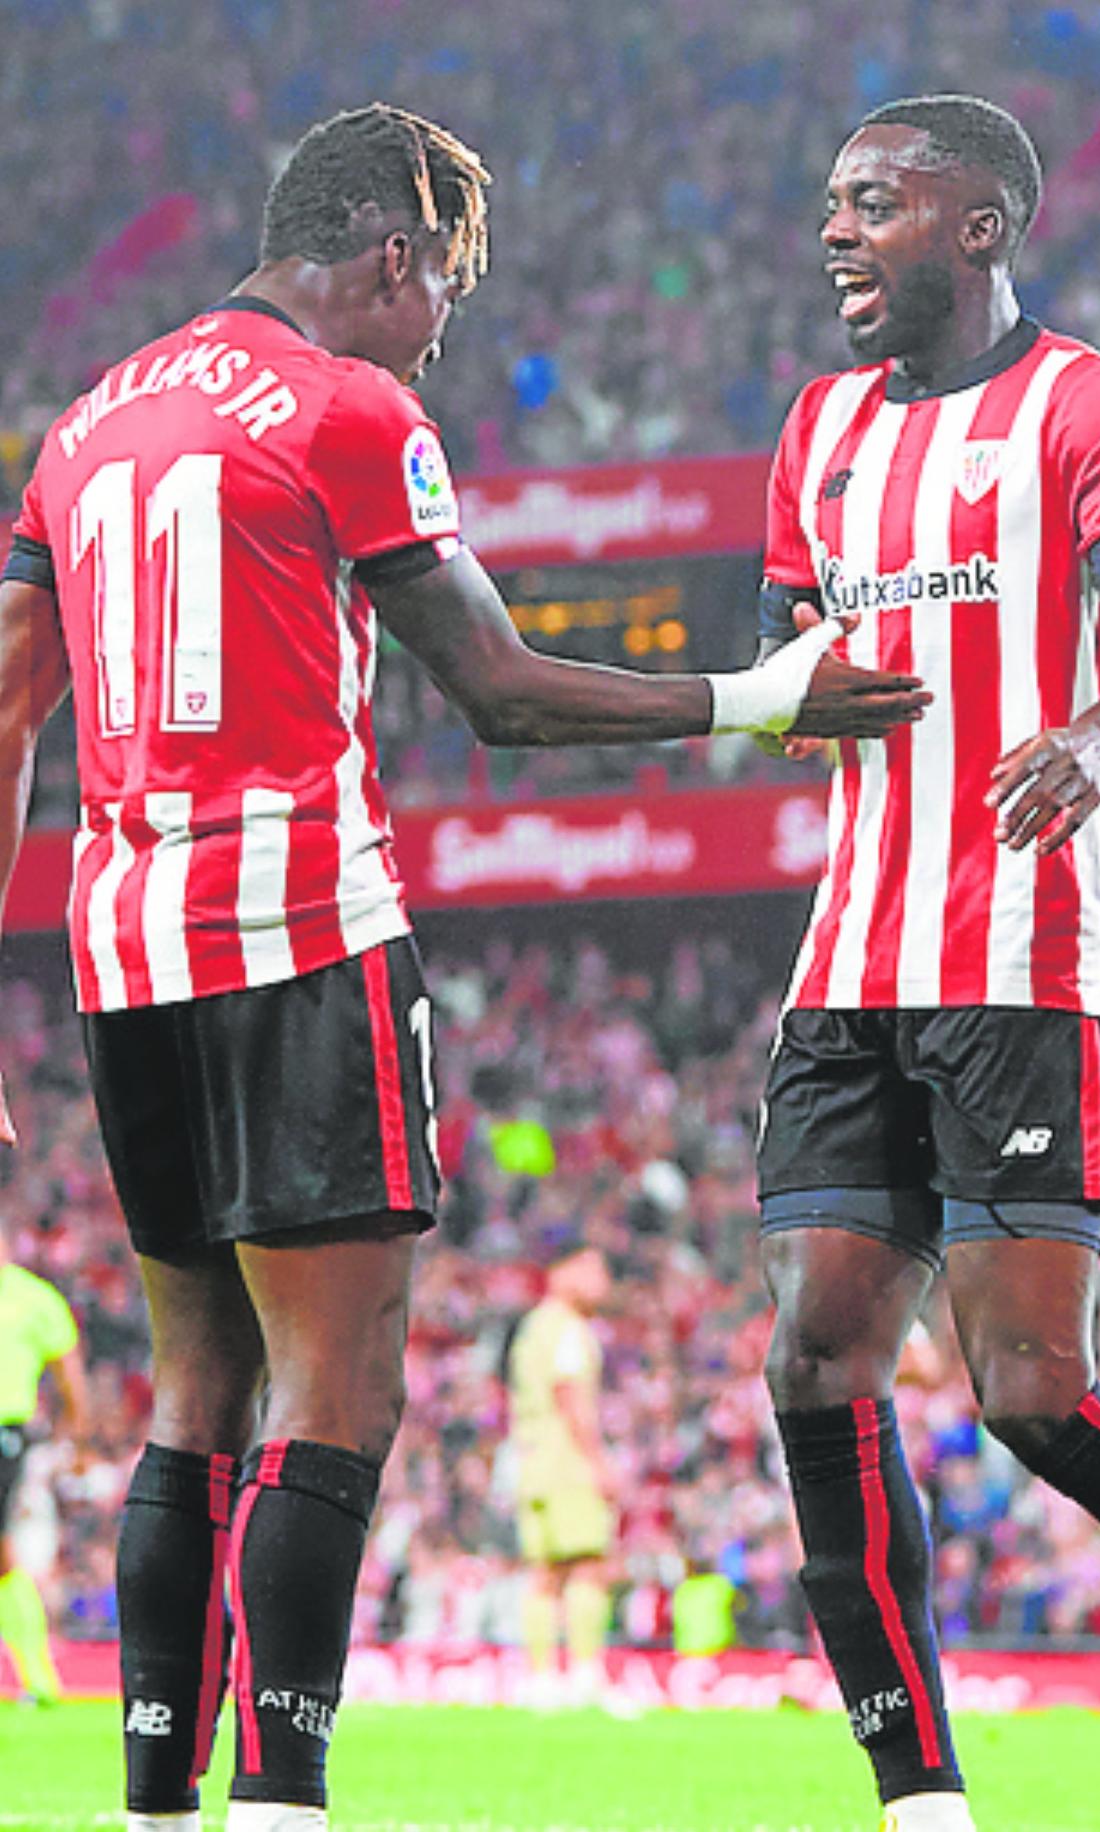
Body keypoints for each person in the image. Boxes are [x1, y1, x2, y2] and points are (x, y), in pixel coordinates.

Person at [0, 103, 930, 1831]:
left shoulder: (80, 424)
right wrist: (754, 695)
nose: (444, 330)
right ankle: (281, 1797)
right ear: (389, 256)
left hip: (119, 950)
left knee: (194, 1384)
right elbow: (495, 692)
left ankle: (149, 1802)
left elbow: (5, 709)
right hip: (295, 926)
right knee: (338, 1383)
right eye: (448, 291)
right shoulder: (352, 408)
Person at [752, 93, 1100, 1832]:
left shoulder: (1087, 402)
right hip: (848, 961)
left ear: (974, 226)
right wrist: (783, 696)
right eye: (829, 204)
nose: (833, 234)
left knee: (1026, 1393)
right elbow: (786, 648)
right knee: (815, 1358)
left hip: (1021, 951)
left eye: (870, 203)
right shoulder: (814, 428)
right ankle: (920, 1800)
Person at [507, 1237, 616, 1707]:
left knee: (545, 1571)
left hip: (532, 1460)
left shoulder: (532, 1329)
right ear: (562, 1272)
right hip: (566, 1460)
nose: (602, 1282)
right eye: (591, 1269)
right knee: (590, 1564)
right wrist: (599, 1462)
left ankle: (541, 1677)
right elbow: (570, 1397)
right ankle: (585, 1674)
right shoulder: (570, 1328)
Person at [0, 1220, 91, 1704]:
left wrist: (76, 1439)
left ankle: (38, 1677)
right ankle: (38, 1678)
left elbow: (69, 1371)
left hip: (6, 1434)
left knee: (4, 1558)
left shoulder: (33, 1300)